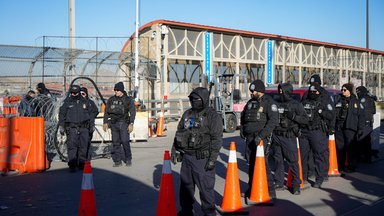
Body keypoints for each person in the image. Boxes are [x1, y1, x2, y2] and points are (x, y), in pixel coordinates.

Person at [171, 87, 223, 216]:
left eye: (197, 99)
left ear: (204, 99)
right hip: (187, 158)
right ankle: (186, 211)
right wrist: (175, 150)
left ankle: (209, 212)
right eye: (192, 99)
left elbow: (217, 139)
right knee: (186, 188)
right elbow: (179, 132)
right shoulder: (188, 114)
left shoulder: (212, 116)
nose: (194, 101)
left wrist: (212, 159)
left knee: (205, 189)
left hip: (203, 159)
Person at [240, 80, 278, 199]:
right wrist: (242, 129)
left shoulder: (269, 103)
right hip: (250, 138)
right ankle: (252, 189)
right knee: (251, 165)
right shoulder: (251, 103)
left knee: (263, 165)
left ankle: (271, 192)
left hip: (261, 139)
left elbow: (273, 121)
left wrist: (261, 136)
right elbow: (243, 116)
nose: (251, 93)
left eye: (253, 91)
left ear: (260, 91)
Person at [272, 83, 308, 195]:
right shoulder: (276, 103)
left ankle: (296, 184)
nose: (280, 93)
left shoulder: (295, 105)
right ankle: (279, 182)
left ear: (287, 91)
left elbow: (305, 119)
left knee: (293, 161)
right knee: (278, 160)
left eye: (282, 91)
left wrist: (293, 117)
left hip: (288, 136)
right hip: (276, 135)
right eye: (279, 90)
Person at [299, 83, 334, 188]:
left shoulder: (324, 102)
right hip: (304, 131)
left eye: (315, 92)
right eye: (311, 91)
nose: (312, 93)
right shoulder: (305, 101)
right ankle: (303, 177)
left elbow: (331, 116)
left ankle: (319, 179)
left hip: (317, 131)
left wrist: (321, 111)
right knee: (303, 155)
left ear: (319, 92)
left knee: (319, 155)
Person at [59, 85, 93, 172]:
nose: (73, 94)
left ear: (79, 93)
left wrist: (92, 125)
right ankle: (72, 165)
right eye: (72, 93)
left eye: (75, 93)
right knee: (72, 147)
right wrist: (62, 126)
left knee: (83, 146)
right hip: (72, 128)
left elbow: (91, 115)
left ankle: (81, 164)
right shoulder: (67, 102)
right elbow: (62, 114)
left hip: (84, 127)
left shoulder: (85, 102)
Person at [103, 82, 136, 167]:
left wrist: (131, 123)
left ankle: (128, 159)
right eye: (115, 90)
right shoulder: (111, 99)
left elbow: (132, 112)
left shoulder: (128, 99)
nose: (116, 91)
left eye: (117, 90)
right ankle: (117, 161)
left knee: (125, 142)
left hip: (124, 123)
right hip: (114, 124)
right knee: (116, 143)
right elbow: (106, 111)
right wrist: (105, 122)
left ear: (121, 90)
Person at [334, 83, 364, 173]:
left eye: (344, 90)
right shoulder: (338, 100)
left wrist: (360, 129)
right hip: (339, 127)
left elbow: (361, 116)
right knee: (340, 148)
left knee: (351, 148)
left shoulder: (355, 102)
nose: (342, 91)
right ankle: (341, 166)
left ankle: (352, 166)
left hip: (350, 128)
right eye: (342, 90)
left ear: (349, 91)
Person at [80, 87, 99, 160]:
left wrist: (90, 117)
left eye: (83, 94)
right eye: (80, 94)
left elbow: (96, 111)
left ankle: (87, 158)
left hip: (88, 125)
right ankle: (80, 159)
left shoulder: (90, 103)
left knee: (87, 142)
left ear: (86, 94)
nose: (82, 95)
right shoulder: (77, 103)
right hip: (79, 126)